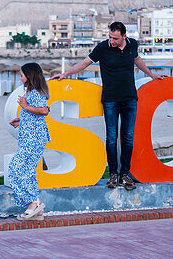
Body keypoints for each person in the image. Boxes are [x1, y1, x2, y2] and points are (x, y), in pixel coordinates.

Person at [54, 21, 162, 190]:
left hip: (129, 99)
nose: (112, 41)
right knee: (111, 138)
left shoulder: (133, 44)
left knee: (127, 138)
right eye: (110, 37)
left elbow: (137, 60)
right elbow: (84, 64)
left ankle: (125, 174)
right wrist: (66, 73)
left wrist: (151, 74)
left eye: (115, 38)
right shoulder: (102, 48)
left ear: (124, 36)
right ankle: (112, 174)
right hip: (110, 100)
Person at [7, 63, 51, 219]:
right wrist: (21, 120)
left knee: (15, 169)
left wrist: (25, 107)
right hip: (31, 138)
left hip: (33, 139)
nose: (20, 78)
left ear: (29, 76)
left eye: (21, 75)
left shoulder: (35, 94)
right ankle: (36, 209)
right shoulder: (32, 92)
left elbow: (44, 110)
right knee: (28, 171)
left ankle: (34, 202)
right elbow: (35, 114)